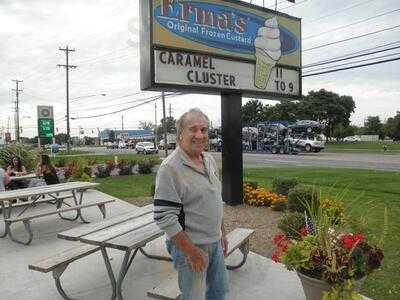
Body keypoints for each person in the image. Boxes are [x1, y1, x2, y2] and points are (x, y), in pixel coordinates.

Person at [154, 108, 229, 300]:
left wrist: (222, 233)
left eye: (204, 130)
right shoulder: (170, 168)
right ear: (180, 134)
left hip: (215, 242)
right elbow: (164, 218)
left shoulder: (209, 160)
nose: (199, 135)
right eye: (193, 129)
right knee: (193, 296)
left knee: (219, 293)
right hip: (191, 247)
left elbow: (214, 199)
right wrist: (192, 252)